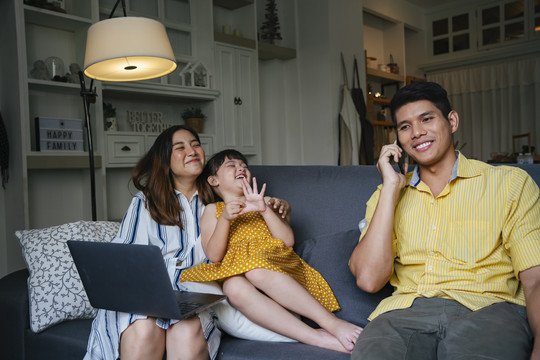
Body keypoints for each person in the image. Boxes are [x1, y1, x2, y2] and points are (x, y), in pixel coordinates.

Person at [349, 81, 540, 360]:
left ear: (451, 121)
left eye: (426, 119)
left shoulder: (510, 184)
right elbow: (368, 280)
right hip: (404, 314)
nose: (417, 133)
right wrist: (390, 189)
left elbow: (535, 281)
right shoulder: (385, 196)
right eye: (405, 126)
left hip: (490, 310)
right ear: (397, 140)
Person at [84, 126, 290, 360]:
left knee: (185, 330)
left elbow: (257, 219)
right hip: (149, 290)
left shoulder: (221, 203)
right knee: (142, 330)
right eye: (180, 148)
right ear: (165, 161)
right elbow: (124, 255)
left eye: (195, 144)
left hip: (195, 292)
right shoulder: (146, 202)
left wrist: (279, 204)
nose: (191, 150)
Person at [181, 149, 362, 353]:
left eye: (244, 166)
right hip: (244, 285)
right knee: (232, 287)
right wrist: (225, 220)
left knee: (256, 271)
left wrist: (265, 210)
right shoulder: (213, 210)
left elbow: (287, 241)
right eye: (231, 165)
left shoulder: (265, 202)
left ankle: (331, 323)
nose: (240, 167)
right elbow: (214, 255)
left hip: (276, 271)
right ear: (213, 180)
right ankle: (315, 337)